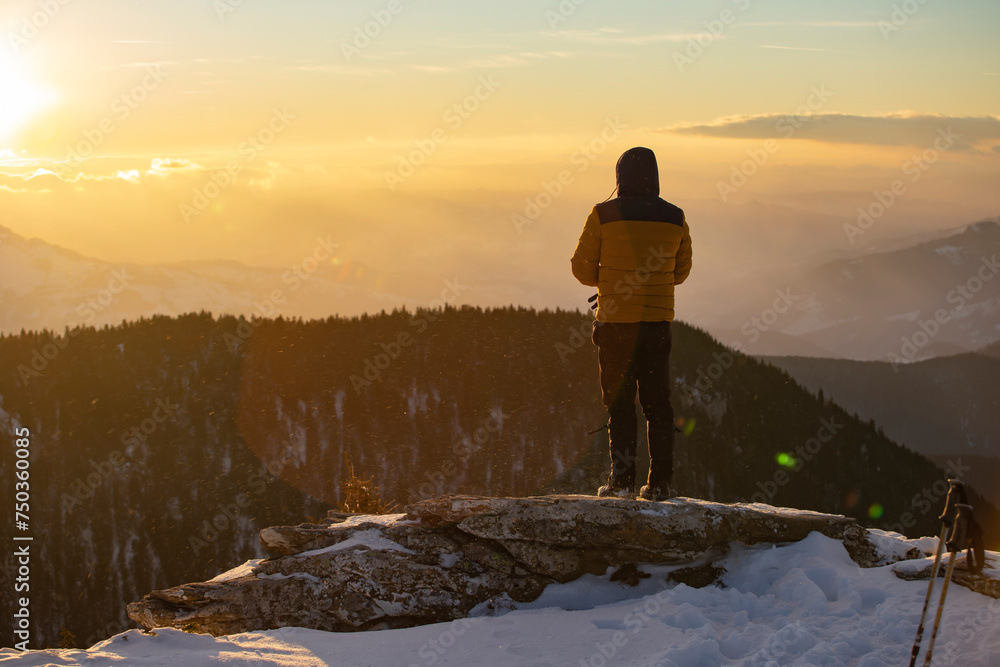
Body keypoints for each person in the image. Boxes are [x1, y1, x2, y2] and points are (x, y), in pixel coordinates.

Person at [570, 147, 692, 501]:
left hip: (615, 325)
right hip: (656, 325)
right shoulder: (675, 217)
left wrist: (608, 285)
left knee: (620, 404)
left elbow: (581, 269)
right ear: (654, 177)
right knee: (658, 404)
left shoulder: (603, 214)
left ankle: (621, 482)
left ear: (619, 177)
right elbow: (679, 273)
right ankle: (660, 484)